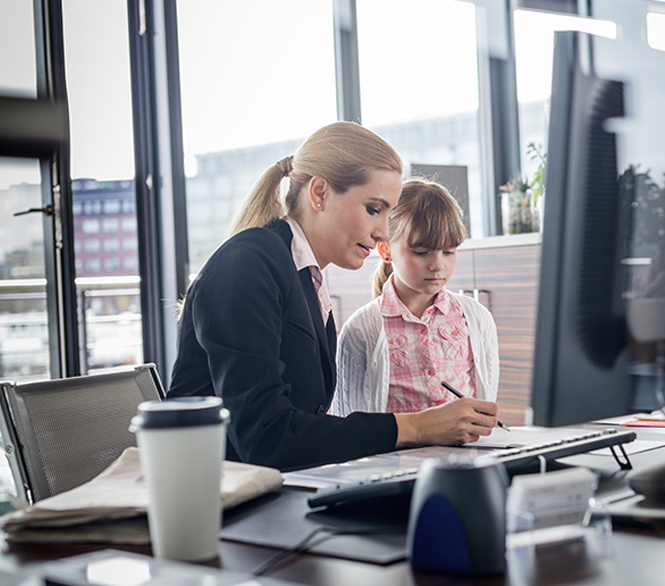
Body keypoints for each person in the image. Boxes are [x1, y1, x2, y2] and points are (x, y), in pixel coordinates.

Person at [168, 122, 499, 472]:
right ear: (320, 193)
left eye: (388, 213)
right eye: (374, 209)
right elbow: (266, 438)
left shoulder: (303, 279)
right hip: (211, 497)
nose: (383, 232)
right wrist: (416, 427)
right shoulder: (248, 264)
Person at [331, 178, 499, 418]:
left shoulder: (476, 319)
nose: (438, 265)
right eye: (421, 252)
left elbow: (485, 401)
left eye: (449, 251)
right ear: (386, 249)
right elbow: (348, 420)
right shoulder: (362, 329)